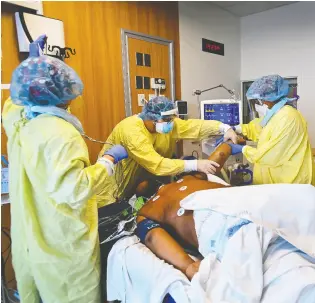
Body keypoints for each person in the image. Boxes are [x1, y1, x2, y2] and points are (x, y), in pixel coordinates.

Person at [2, 35, 128, 303]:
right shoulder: (61, 132)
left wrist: (31, 64)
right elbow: (74, 189)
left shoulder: (20, 122)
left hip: (29, 242)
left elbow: (10, 105)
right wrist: (107, 161)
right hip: (62, 247)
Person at [97, 96, 239, 206]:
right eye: (167, 120)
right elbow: (157, 164)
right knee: (110, 215)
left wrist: (223, 128)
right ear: (151, 118)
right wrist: (196, 164)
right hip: (112, 184)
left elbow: (193, 126)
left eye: (171, 119)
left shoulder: (165, 124)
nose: (171, 123)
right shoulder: (132, 131)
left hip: (139, 180)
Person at [226, 75, 315, 185]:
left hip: (290, 180)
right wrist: (235, 128)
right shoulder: (277, 114)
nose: (262, 103)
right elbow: (260, 127)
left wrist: (243, 149)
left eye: (262, 99)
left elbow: (271, 155)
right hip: (276, 176)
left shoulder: (288, 117)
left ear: (271, 97)